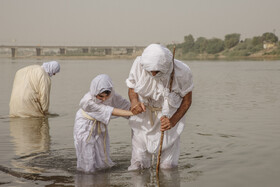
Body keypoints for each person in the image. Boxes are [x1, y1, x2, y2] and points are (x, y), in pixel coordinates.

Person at [126, 44, 193, 170]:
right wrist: (134, 102)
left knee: (168, 167)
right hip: (144, 116)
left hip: (168, 118)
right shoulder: (139, 64)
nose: (152, 73)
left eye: (157, 71)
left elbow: (187, 101)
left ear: (167, 66)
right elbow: (132, 88)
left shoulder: (182, 71)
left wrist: (172, 121)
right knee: (138, 165)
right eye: (150, 71)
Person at [74, 74, 134, 173]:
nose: (104, 99)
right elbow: (109, 111)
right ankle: (87, 177)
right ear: (95, 92)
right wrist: (132, 113)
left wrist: (138, 111)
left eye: (107, 96)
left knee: (102, 153)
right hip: (84, 125)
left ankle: (100, 179)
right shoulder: (87, 101)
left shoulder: (113, 96)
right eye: (101, 96)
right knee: (87, 153)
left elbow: (125, 105)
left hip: (99, 123)